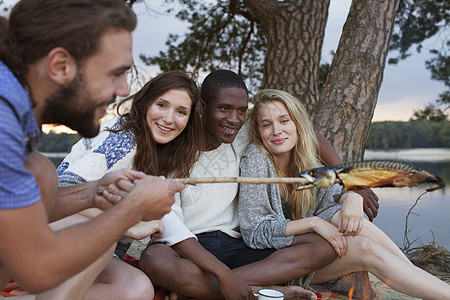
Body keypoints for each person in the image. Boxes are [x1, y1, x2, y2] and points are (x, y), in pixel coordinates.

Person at [0, 0, 180, 296]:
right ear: (60, 66)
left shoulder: (17, 109)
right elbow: (37, 267)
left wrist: (93, 194)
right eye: (115, 73)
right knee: (97, 230)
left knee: (41, 172)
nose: (124, 90)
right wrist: (129, 211)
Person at [139, 70, 347, 300]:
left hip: (236, 244)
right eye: (224, 108)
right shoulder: (171, 150)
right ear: (202, 108)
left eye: (241, 111)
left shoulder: (238, 133)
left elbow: (308, 133)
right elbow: (171, 226)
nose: (234, 119)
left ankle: (196, 293)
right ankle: (262, 292)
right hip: (190, 246)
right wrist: (223, 276)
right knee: (154, 259)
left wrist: (351, 179)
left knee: (321, 246)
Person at [238, 89, 450, 299]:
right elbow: (254, 231)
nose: (276, 130)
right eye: (267, 124)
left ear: (298, 123)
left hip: (313, 256)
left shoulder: (304, 158)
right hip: (282, 265)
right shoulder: (256, 158)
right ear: (258, 131)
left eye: (284, 121)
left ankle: (429, 285)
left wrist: (353, 196)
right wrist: (313, 223)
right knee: (363, 246)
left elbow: (331, 199)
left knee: (355, 230)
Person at [55, 70, 205, 299]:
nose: (168, 118)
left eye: (181, 112)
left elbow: (168, 217)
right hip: (47, 223)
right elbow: (64, 189)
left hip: (94, 243)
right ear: (145, 104)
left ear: (189, 120)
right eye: (162, 105)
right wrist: (127, 226)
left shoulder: (170, 153)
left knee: (137, 288)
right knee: (101, 238)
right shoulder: (125, 137)